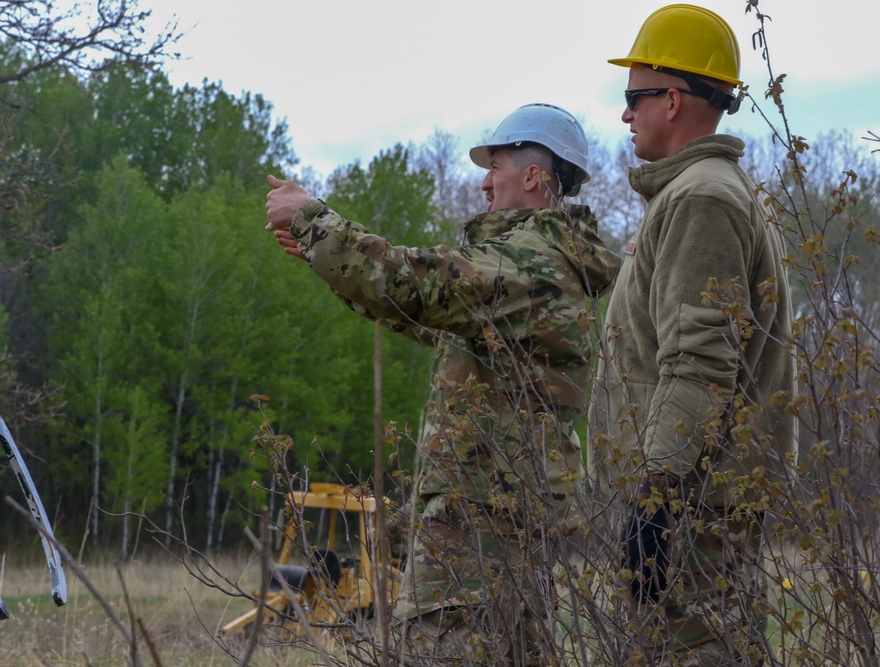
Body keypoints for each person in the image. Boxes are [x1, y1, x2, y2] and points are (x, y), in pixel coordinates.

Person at [265, 103, 621, 666]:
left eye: (495, 165)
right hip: (500, 517)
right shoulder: (547, 264)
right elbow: (420, 313)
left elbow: (415, 283)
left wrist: (314, 218)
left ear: (533, 176)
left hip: (478, 522)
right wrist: (323, 257)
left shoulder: (530, 261)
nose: (483, 182)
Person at [587, 5, 798, 666]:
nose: (625, 115)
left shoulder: (700, 200)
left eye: (633, 97)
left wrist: (652, 505)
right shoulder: (698, 195)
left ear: (672, 100)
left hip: (689, 514)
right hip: (691, 506)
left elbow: (699, 368)